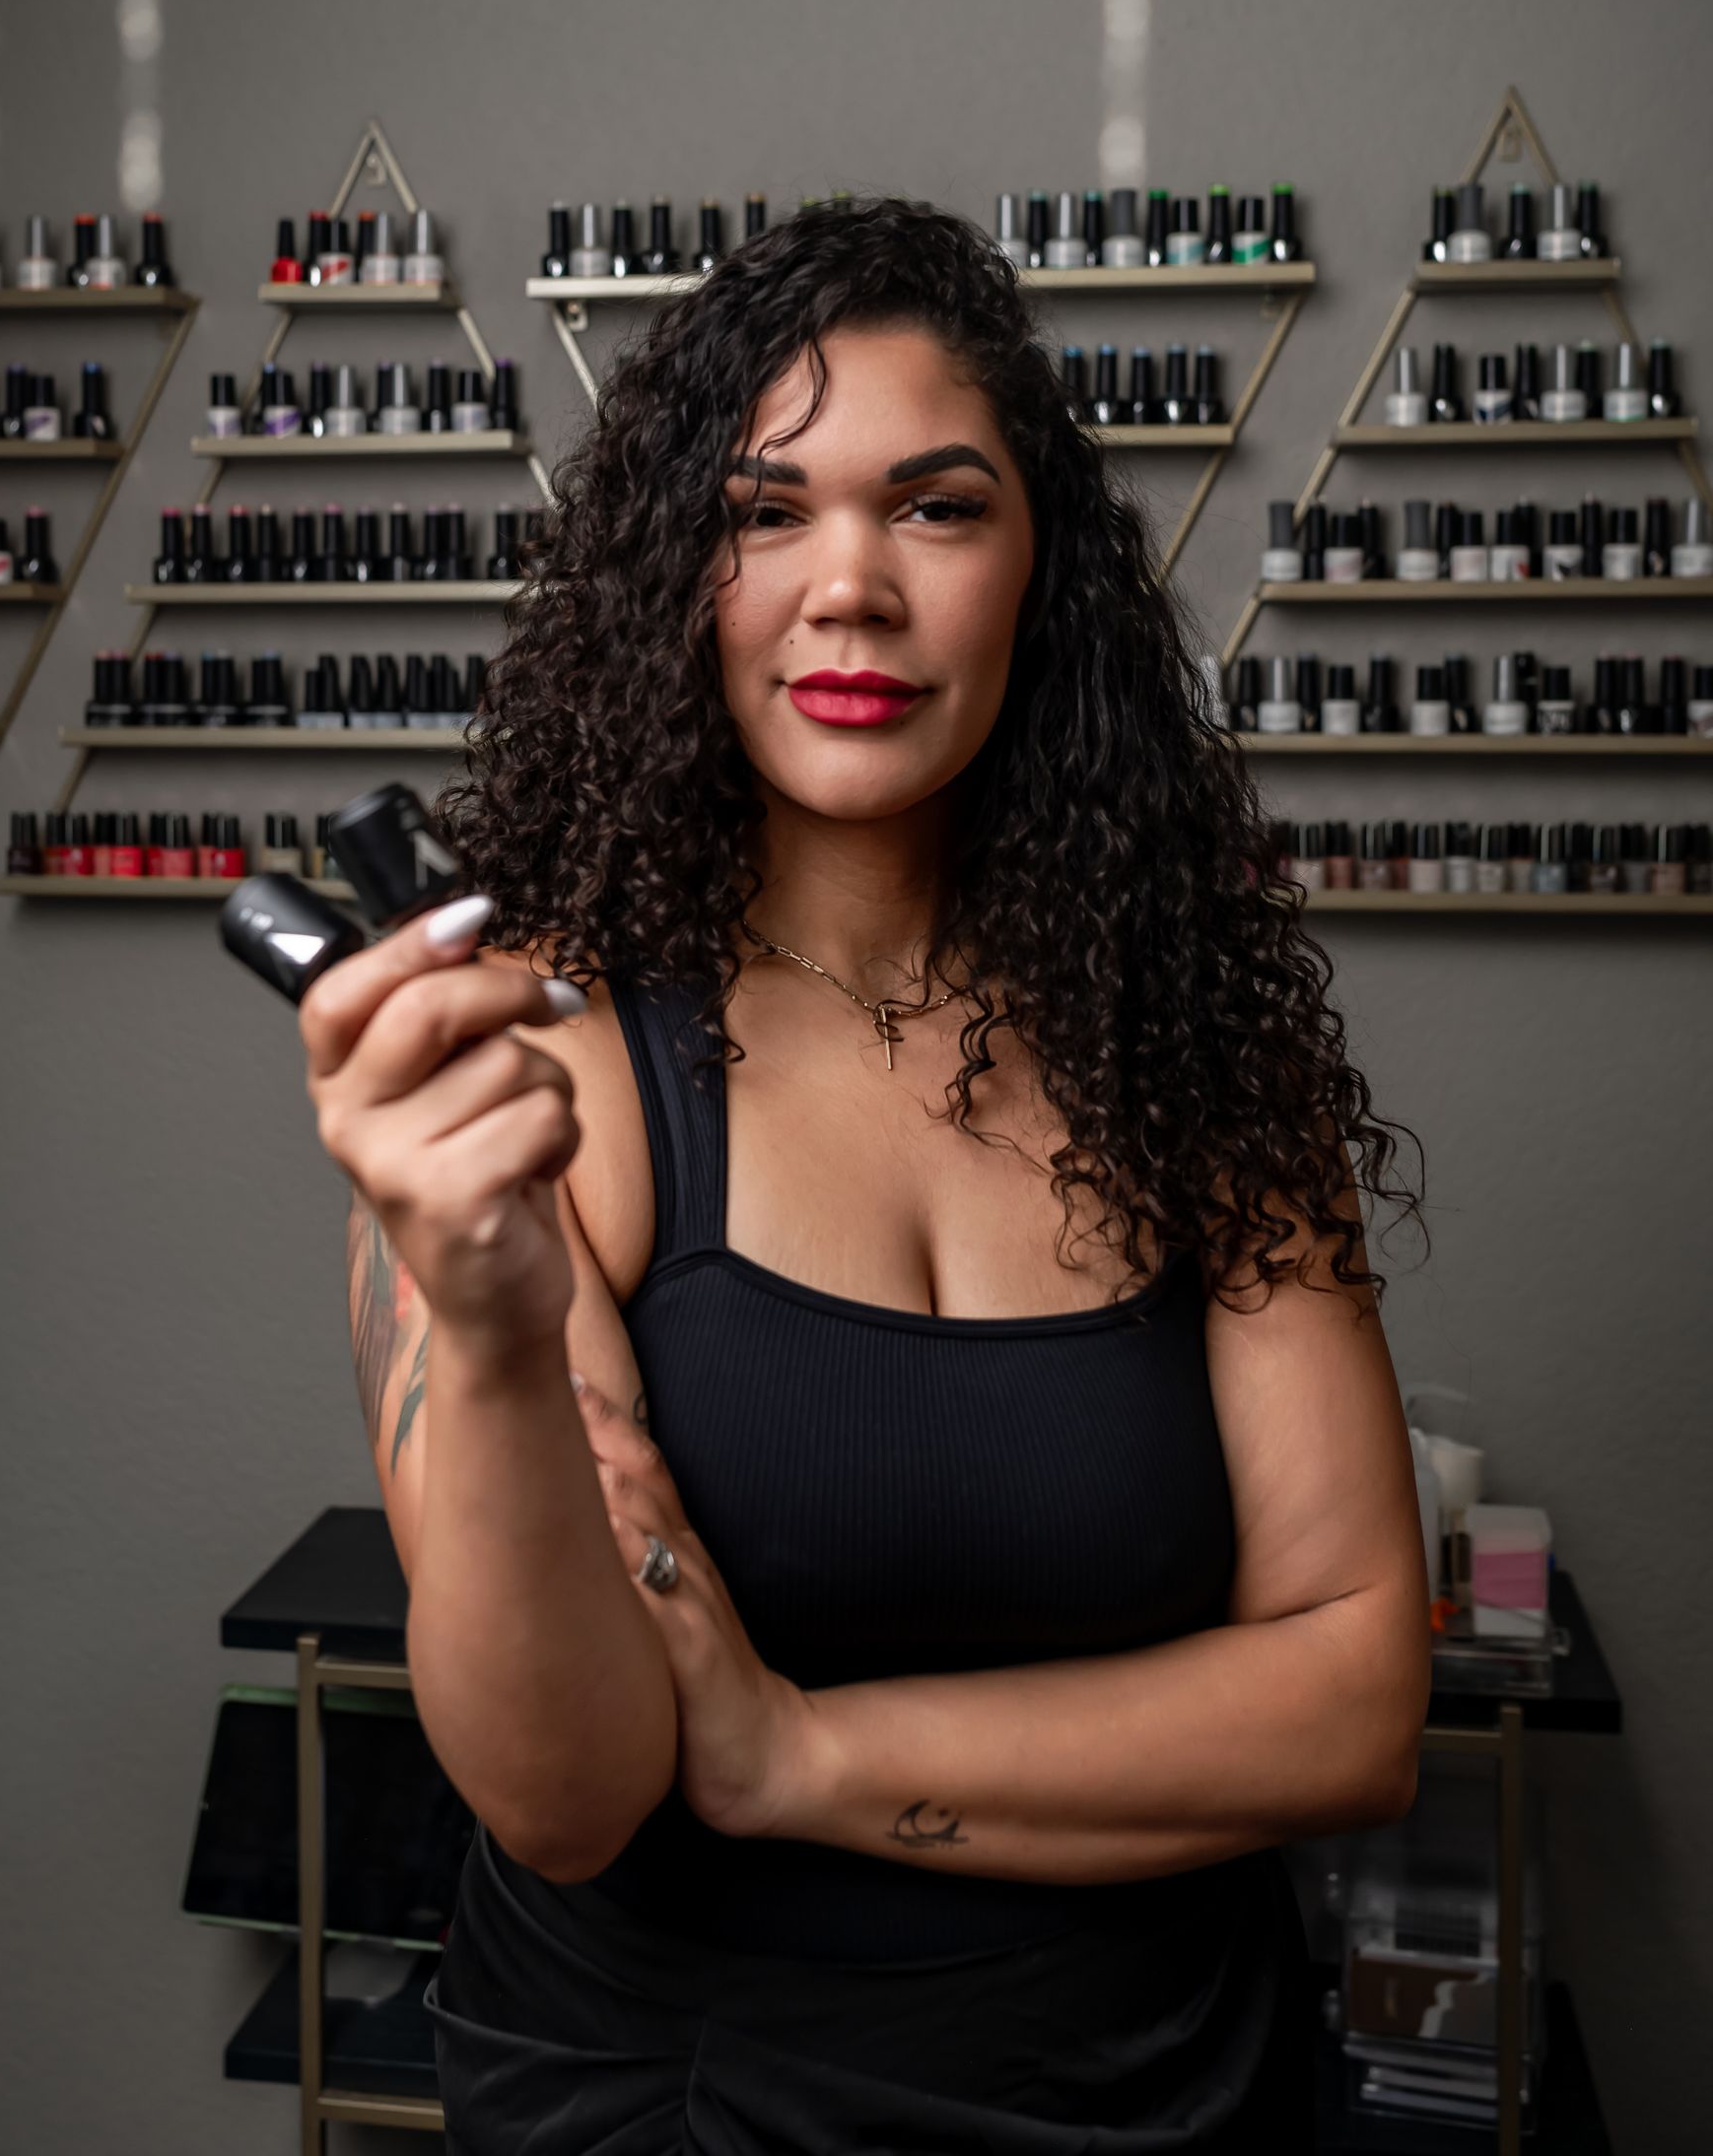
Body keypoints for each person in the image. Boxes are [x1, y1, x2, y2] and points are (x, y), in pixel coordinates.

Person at [297, 195, 1434, 2152]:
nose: (850, 589)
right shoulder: (551, 1059)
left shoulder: (1202, 1060)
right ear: (680, 578)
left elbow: (1352, 1699)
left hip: (1180, 2083)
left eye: (935, 507)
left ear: (1036, 577)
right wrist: (485, 1337)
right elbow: (566, 1798)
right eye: (764, 512)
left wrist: (801, 1754)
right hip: (694, 2097)